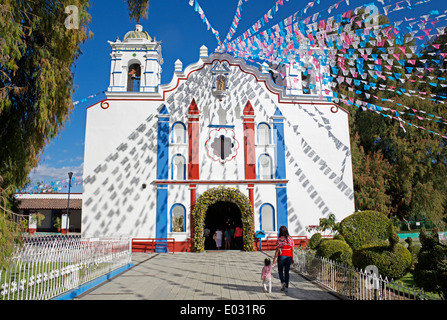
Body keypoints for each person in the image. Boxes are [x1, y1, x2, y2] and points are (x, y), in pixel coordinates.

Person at [273, 225, 295, 292]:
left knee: (280, 270)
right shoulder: (290, 239)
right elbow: (292, 249)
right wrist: (293, 258)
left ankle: (283, 282)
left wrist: (274, 258)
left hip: (282, 255)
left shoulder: (280, 239)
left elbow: (277, 249)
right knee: (287, 272)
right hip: (289, 256)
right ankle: (287, 288)